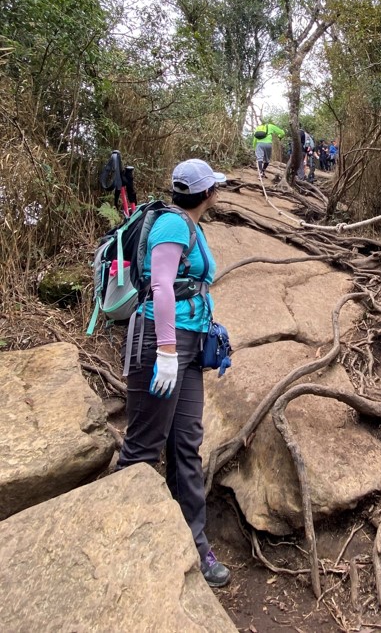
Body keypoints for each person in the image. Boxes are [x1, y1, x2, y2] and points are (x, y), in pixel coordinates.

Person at [116, 158, 231, 588]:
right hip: (160, 342)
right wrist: (165, 349)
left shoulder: (191, 226)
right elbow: (161, 285)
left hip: (189, 344)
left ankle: (194, 542)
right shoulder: (172, 225)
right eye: (215, 187)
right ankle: (122, 535)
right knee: (144, 446)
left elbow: (187, 286)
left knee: (187, 443)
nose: (217, 192)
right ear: (206, 194)